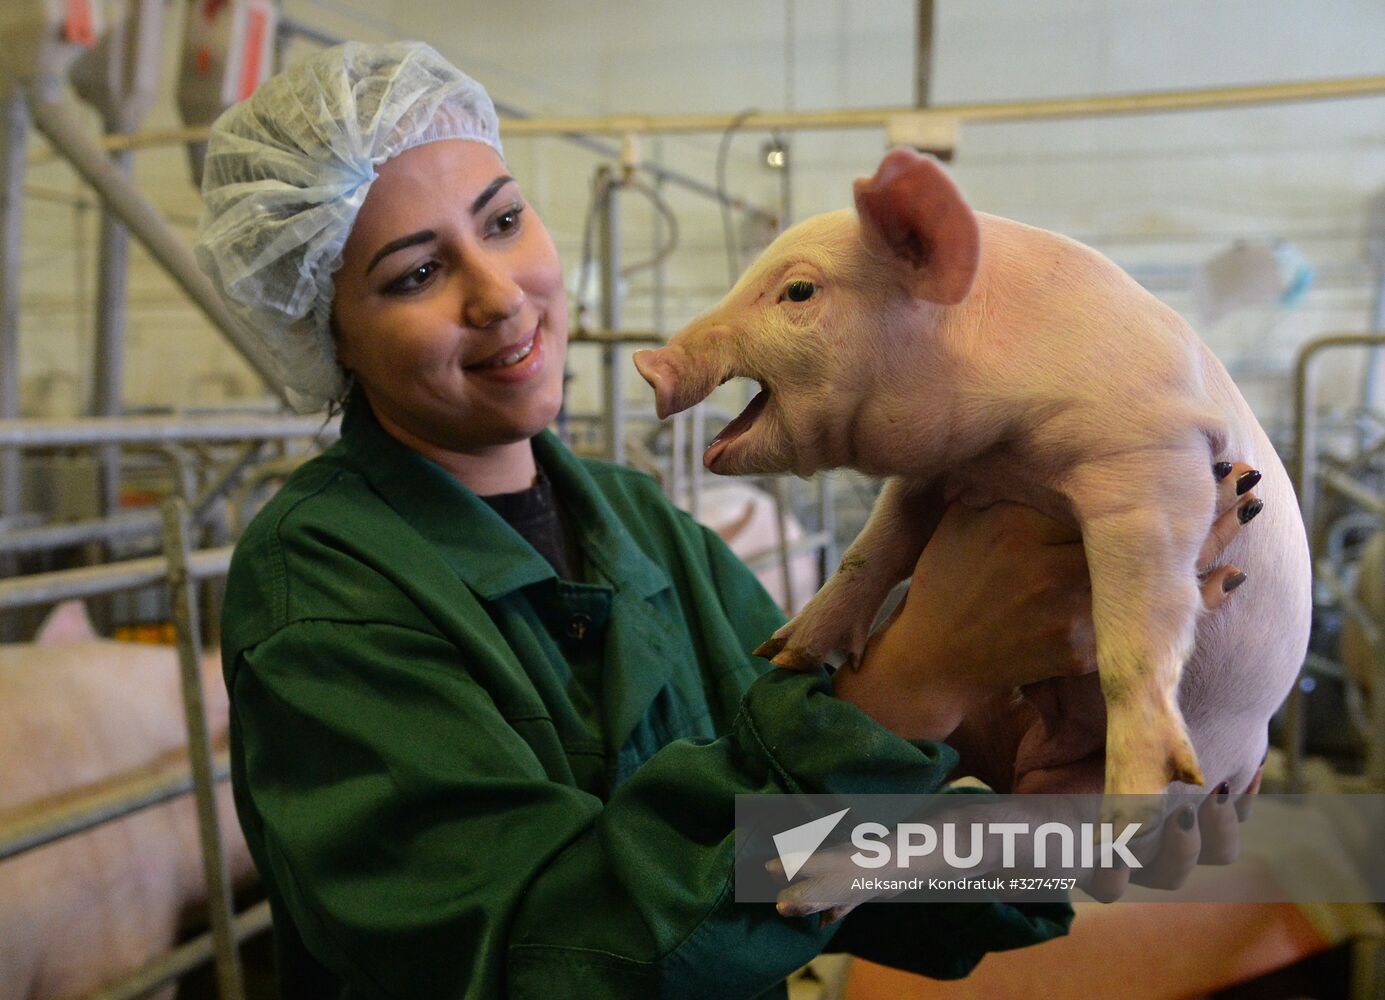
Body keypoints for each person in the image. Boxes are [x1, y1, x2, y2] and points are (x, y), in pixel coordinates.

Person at [196, 40, 1265, 999]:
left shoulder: (640, 531)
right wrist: (912, 680)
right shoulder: (323, 597)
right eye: (418, 273)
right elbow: (557, 959)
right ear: (328, 331)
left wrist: (1052, 826)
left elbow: (797, 851)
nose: (501, 294)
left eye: (504, 221)